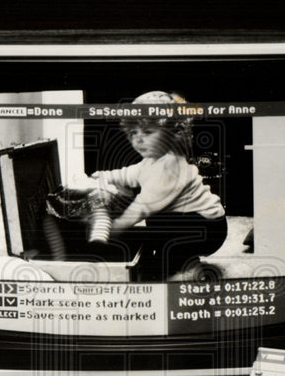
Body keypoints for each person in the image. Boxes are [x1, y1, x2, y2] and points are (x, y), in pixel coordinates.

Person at [91, 90, 228, 281]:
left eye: (147, 132)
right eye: (133, 133)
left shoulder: (171, 165)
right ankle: (184, 256)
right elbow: (128, 174)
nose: (138, 139)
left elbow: (143, 206)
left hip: (207, 227)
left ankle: (186, 268)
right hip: (189, 221)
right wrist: (104, 176)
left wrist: (116, 227)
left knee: (161, 256)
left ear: (172, 133)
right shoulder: (151, 161)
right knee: (154, 231)